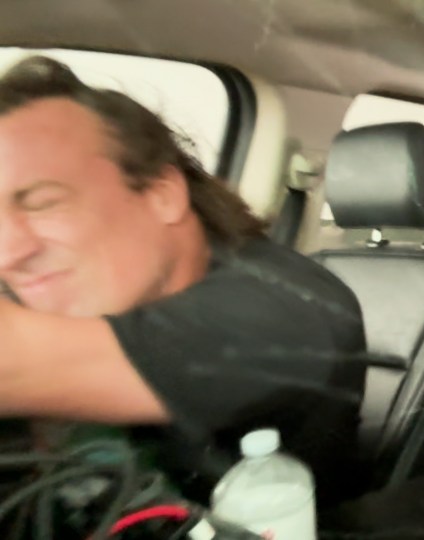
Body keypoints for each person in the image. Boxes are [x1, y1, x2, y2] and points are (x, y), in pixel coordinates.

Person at [0, 56, 367, 505]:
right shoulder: (96, 289)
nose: (8, 255)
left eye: (44, 203)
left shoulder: (290, 308)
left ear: (162, 194)